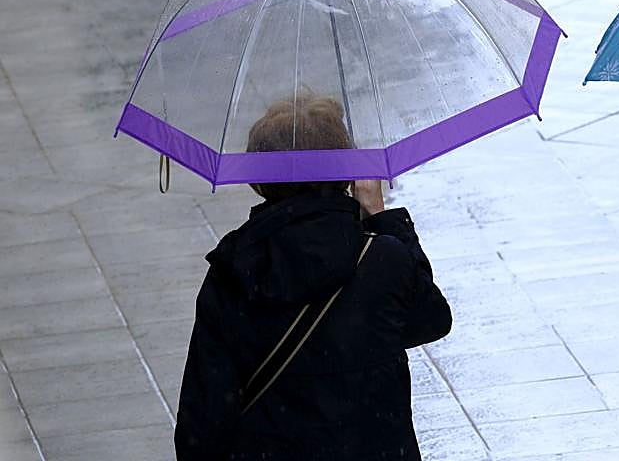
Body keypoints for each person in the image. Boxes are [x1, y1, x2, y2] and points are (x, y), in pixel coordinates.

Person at [175, 95, 452, 461]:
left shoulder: (234, 270)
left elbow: (203, 421)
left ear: (259, 179)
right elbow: (430, 321)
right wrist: (380, 217)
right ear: (346, 172)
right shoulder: (382, 259)